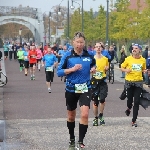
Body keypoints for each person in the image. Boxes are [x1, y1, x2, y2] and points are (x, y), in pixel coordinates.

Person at [57, 31, 96, 149]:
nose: (80, 44)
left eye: (82, 42)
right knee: (71, 116)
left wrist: (93, 69)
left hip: (85, 87)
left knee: (84, 114)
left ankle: (81, 141)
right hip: (71, 88)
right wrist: (72, 69)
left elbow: (93, 65)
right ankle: (72, 139)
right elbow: (59, 72)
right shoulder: (67, 56)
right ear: (73, 42)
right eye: (78, 42)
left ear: (84, 43)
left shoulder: (89, 55)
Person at [121, 44, 146, 127]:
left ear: (140, 51)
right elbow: (122, 67)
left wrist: (145, 71)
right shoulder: (128, 59)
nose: (134, 50)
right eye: (133, 48)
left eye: (136, 48)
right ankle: (128, 108)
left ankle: (134, 120)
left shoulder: (143, 60)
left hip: (138, 82)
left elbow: (143, 69)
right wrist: (126, 70)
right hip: (129, 82)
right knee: (129, 100)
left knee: (137, 101)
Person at [91, 43, 109, 126]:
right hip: (94, 81)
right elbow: (88, 70)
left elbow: (107, 68)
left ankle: (101, 115)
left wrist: (107, 68)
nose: (98, 48)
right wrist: (91, 70)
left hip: (102, 81)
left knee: (102, 100)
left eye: (100, 47)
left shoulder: (105, 59)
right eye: (97, 47)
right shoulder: (92, 59)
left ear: (102, 49)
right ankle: (95, 118)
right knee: (95, 102)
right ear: (94, 48)